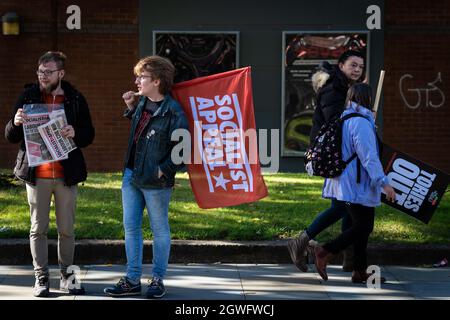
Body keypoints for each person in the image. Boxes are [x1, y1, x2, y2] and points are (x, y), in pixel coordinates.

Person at [5, 51, 95, 297]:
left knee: (67, 229)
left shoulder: (75, 99)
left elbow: (89, 134)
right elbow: (10, 135)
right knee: (38, 228)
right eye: (40, 72)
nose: (42, 76)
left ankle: (68, 277)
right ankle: (41, 278)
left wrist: (74, 132)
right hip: (37, 176)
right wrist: (15, 122)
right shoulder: (28, 96)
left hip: (66, 175)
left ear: (61, 73)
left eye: (48, 72)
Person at [104, 56, 188, 299]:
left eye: (142, 77)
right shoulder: (142, 104)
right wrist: (131, 107)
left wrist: (164, 169)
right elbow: (145, 131)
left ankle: (158, 279)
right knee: (131, 228)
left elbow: (183, 150)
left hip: (156, 181)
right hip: (131, 175)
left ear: (157, 81)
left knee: (159, 229)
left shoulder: (174, 111)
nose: (137, 81)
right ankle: (132, 280)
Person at [287, 50, 366, 273]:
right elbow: (335, 122)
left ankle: (350, 260)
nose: (357, 69)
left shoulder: (346, 88)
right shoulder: (334, 88)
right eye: (353, 65)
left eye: (361, 66)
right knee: (343, 205)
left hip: (343, 153)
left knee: (349, 204)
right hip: (334, 154)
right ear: (341, 65)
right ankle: (301, 241)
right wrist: (361, 120)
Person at [314, 83, 396, 283]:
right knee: (364, 227)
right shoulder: (360, 123)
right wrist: (383, 182)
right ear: (367, 99)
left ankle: (359, 271)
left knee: (362, 226)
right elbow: (369, 156)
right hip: (358, 185)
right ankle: (325, 251)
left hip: (346, 183)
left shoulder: (347, 117)